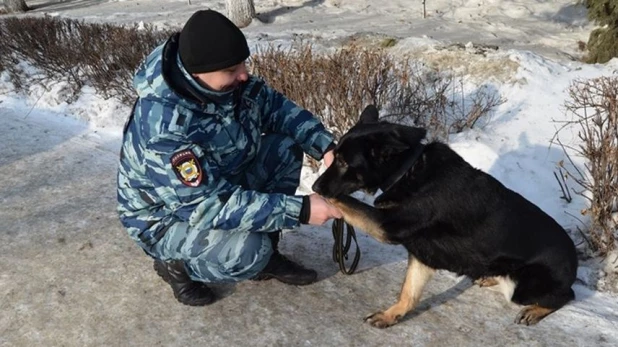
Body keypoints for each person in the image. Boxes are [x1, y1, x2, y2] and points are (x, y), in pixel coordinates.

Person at [117, 9, 342, 306]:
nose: (244, 74)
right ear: (196, 73)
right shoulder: (165, 128)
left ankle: (266, 256)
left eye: (242, 64)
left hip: (221, 182)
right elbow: (206, 206)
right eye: (232, 69)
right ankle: (177, 265)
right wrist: (300, 210)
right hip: (166, 220)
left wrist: (325, 146)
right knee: (249, 250)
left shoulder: (228, 85)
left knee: (284, 147)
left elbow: (276, 108)